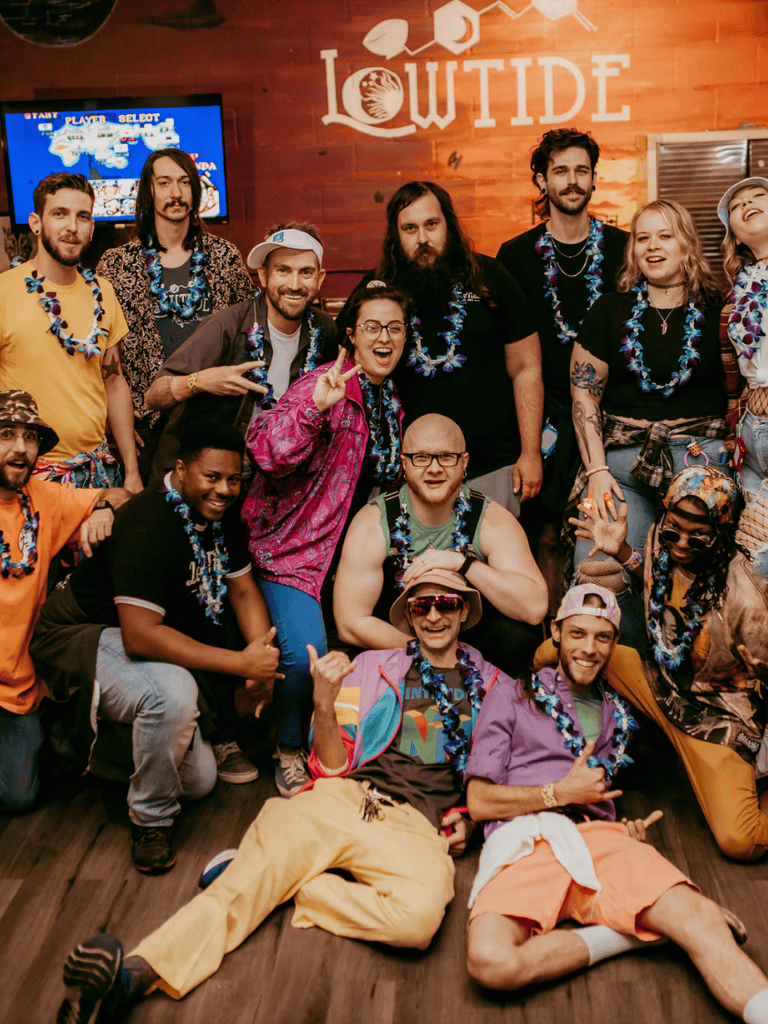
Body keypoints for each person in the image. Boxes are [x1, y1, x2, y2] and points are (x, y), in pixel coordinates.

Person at [55, 569, 506, 1023]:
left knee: (418, 922)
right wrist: (324, 704)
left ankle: (275, 881)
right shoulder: (370, 668)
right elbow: (331, 767)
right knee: (230, 895)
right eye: (421, 606)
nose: (433, 616)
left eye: (446, 604)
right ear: (409, 615)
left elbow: (506, 776)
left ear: (464, 610)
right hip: (345, 796)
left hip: (419, 825)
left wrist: (470, 820)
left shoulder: (495, 689)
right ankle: (129, 977)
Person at [464, 583, 768, 1024]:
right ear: (556, 633)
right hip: (523, 841)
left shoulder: (617, 715)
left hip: (598, 839)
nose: (589, 648)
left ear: (614, 643)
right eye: (577, 633)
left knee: (701, 917)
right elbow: (478, 802)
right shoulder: (512, 695)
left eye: (601, 636)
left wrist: (621, 829)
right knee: (491, 961)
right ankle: (629, 934)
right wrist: (557, 794)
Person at [30, 419, 280, 874]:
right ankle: (151, 821)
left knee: (199, 781)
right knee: (171, 695)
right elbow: (141, 635)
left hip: (126, 639)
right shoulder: (147, 522)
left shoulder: (222, 516)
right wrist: (241, 664)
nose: (224, 490)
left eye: (233, 479)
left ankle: (77, 743)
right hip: (78, 634)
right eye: (212, 477)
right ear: (181, 470)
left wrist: (263, 660)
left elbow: (243, 592)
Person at [242, 283, 408, 797]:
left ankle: (372, 740)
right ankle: (289, 748)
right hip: (290, 551)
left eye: (395, 328)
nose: (384, 338)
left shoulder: (389, 399)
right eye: (373, 327)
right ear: (352, 335)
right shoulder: (326, 383)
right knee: (305, 655)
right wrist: (314, 409)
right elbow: (266, 450)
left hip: (349, 553)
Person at [564, 465, 768, 860]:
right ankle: (563, 755)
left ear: (722, 535)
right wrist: (623, 553)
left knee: (740, 841)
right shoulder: (661, 539)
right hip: (659, 684)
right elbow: (661, 587)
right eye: (674, 531)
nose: (681, 544)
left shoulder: (748, 601)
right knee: (554, 653)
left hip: (716, 719)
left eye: (699, 537)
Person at [336, 181, 544, 515]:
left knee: (495, 549)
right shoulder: (377, 292)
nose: (422, 238)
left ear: (449, 224)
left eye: (431, 224)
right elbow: (342, 367)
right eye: (410, 228)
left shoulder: (490, 278)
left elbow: (526, 368)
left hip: (493, 466)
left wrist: (531, 453)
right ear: (395, 235)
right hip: (408, 474)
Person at [568, 199, 731, 597]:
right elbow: (584, 395)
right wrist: (596, 472)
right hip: (622, 467)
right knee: (600, 573)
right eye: (642, 238)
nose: (652, 246)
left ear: (687, 244)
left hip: (701, 464)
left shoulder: (722, 310)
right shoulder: (609, 309)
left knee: (696, 586)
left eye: (664, 236)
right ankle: (626, 642)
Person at [496, 129, 628, 607]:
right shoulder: (514, 255)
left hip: (612, 414)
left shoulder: (624, 248)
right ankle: (553, 631)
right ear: (542, 180)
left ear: (593, 179)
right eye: (560, 171)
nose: (572, 181)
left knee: (607, 529)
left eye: (581, 171)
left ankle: (606, 626)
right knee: (547, 533)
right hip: (546, 414)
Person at [334, 412, 548, 675]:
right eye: (421, 457)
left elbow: (534, 608)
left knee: (517, 637)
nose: (434, 468)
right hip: (401, 651)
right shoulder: (374, 522)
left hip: (472, 653)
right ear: (404, 463)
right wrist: (431, 655)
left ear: (464, 462)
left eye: (446, 456)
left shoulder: (491, 520)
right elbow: (350, 623)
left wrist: (463, 564)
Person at [0, 389, 129, 812]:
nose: (20, 448)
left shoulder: (43, 498)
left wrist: (105, 509)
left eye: (29, 437)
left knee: (19, 797)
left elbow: (121, 497)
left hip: (19, 689)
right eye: (6, 434)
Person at [96, 148, 254, 480]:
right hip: (147, 427)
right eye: (164, 182)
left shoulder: (224, 256)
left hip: (215, 419)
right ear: (148, 191)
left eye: (184, 182)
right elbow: (102, 356)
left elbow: (251, 334)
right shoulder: (116, 264)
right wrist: (114, 421)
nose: (176, 193)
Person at [143, 222, 338, 483]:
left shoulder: (324, 330)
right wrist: (200, 381)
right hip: (202, 481)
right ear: (263, 276)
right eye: (283, 270)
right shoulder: (226, 327)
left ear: (320, 278)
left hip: (276, 478)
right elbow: (153, 397)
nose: (294, 284)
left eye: (306, 272)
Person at [0, 172, 140, 491]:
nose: (72, 227)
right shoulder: (4, 292)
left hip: (99, 472)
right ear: (36, 223)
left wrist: (132, 471)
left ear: (92, 228)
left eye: (83, 216)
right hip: (29, 476)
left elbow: (114, 382)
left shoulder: (103, 292)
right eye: (59, 214)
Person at [717, 176, 768, 575]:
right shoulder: (739, 288)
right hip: (751, 431)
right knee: (755, 556)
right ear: (734, 234)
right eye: (737, 205)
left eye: (759, 196)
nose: (747, 203)